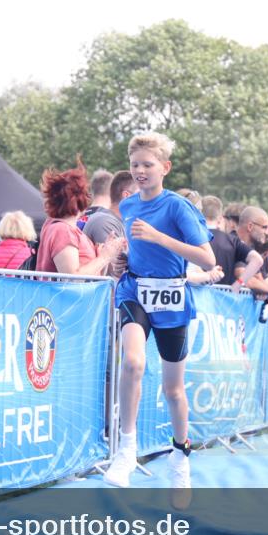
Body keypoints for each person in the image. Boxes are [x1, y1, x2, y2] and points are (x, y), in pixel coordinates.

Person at [102, 132, 216, 493]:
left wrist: (159, 238)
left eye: (147, 165)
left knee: (173, 390)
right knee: (133, 362)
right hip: (135, 290)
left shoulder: (177, 208)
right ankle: (126, 450)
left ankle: (180, 455)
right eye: (134, 164)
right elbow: (137, 251)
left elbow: (207, 259)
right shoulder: (128, 206)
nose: (140, 171)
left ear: (165, 167)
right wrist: (123, 260)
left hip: (172, 298)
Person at [36, 161, 125, 275]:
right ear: (80, 199)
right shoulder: (63, 230)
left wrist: (104, 254)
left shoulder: (57, 226)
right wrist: (104, 257)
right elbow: (72, 277)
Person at [83, 170, 136, 280]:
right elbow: (115, 273)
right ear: (127, 197)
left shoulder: (114, 221)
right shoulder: (105, 221)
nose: (148, 200)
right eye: (143, 194)